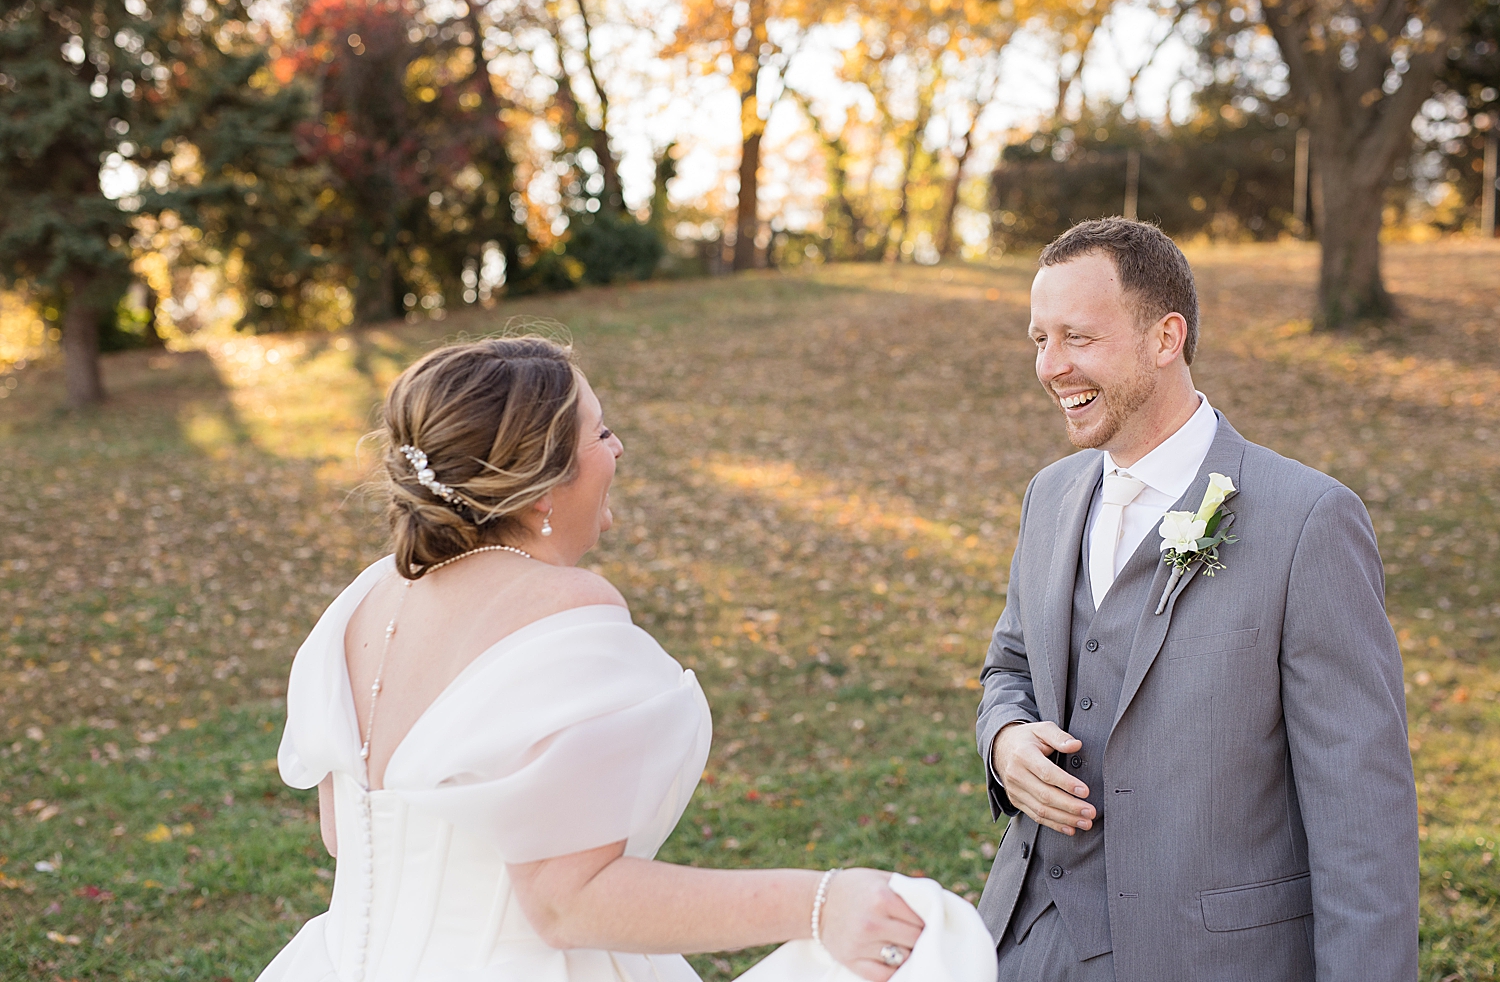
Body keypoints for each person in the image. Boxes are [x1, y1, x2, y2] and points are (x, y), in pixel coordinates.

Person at [255, 337, 926, 982]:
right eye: (601, 434)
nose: (618, 449)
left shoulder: (366, 599)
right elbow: (565, 901)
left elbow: (346, 835)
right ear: (543, 485)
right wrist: (821, 903)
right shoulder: (563, 607)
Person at [972, 219, 1419, 981]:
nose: (1052, 367)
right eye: (1038, 339)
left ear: (1165, 337)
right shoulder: (1049, 496)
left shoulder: (1307, 520)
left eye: (1077, 337)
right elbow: (1008, 667)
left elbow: (1361, 817)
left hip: (1210, 956)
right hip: (1026, 943)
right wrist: (1005, 742)